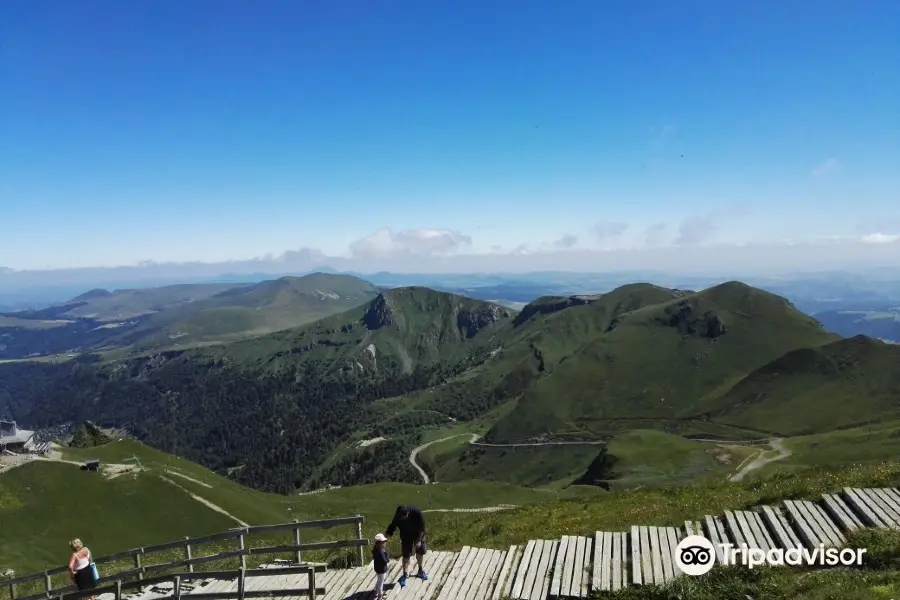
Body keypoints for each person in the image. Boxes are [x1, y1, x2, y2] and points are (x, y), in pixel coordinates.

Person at [384, 505, 428, 587]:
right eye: (400, 518)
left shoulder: (416, 512)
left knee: (420, 551)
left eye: (403, 518)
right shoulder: (398, 516)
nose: (402, 520)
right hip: (405, 535)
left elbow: (422, 527)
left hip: (418, 533)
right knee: (406, 554)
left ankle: (420, 570)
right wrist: (385, 538)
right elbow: (392, 527)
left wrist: (418, 540)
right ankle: (405, 574)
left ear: (407, 513)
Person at [372, 533, 389, 600]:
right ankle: (380, 596)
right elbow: (385, 561)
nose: (385, 543)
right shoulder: (381, 552)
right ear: (379, 544)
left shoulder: (376, 550)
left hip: (377, 569)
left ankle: (375, 591)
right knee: (381, 583)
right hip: (381, 570)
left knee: (379, 580)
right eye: (383, 542)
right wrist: (387, 555)